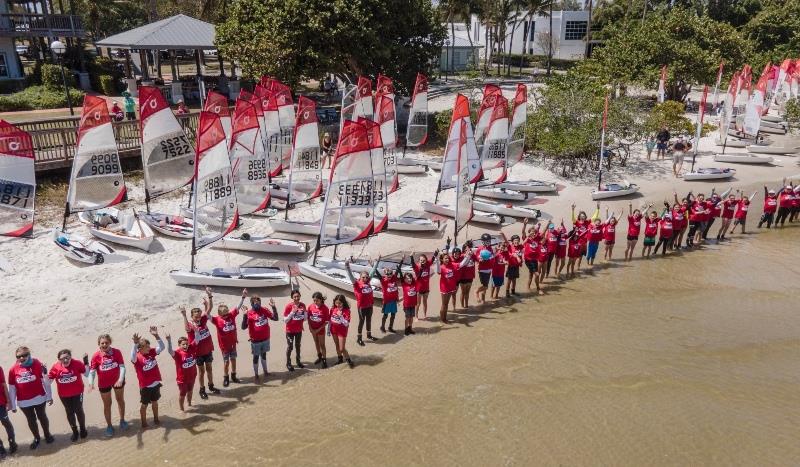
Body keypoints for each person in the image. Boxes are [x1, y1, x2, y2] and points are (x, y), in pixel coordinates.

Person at [8, 346, 53, 449]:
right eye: (19, 356)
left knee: (42, 417)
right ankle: (36, 438)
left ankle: (47, 435)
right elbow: (12, 388)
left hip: (39, 398)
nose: (22, 358)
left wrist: (49, 396)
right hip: (24, 402)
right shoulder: (12, 369)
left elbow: (45, 383)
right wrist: (13, 405)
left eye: (24, 355)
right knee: (31, 420)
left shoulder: (37, 364)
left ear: (29, 354)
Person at [180, 287, 219, 399]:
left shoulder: (203, 319)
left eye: (199, 316)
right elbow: (186, 327)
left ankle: (211, 386)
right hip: (197, 353)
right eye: (195, 317)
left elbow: (210, 308)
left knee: (210, 369)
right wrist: (184, 315)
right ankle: (202, 389)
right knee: (201, 372)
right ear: (192, 317)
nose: (197, 318)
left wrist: (210, 296)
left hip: (208, 350)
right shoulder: (191, 325)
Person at [88, 334, 129, 437]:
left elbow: (122, 367)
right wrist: (90, 383)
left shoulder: (117, 352)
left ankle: (122, 420)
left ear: (110, 342)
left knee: (120, 400)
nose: (105, 344)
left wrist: (120, 379)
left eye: (106, 342)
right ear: (99, 344)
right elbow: (92, 372)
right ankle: (109, 426)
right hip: (103, 384)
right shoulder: (96, 356)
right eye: (102, 343)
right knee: (107, 405)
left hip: (118, 381)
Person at [47, 350, 89, 442]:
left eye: (67, 358)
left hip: (78, 393)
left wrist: (86, 363)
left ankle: (82, 429)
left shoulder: (77, 363)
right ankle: (75, 432)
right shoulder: (56, 367)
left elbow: (87, 374)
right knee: (69, 412)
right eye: (62, 359)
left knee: (78, 410)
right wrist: (44, 373)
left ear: (70, 357)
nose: (65, 360)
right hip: (64, 395)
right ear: (59, 359)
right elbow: (48, 382)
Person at [210, 289, 246, 387]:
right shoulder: (217, 320)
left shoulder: (231, 315)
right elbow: (207, 316)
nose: (226, 315)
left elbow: (237, 307)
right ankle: (226, 377)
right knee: (226, 362)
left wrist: (243, 297)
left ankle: (233, 376)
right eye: (224, 314)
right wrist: (209, 300)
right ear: (220, 314)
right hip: (224, 346)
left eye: (227, 313)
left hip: (233, 344)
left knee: (233, 360)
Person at [130, 327, 165, 429]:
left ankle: (156, 419)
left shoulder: (151, 352)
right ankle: (144, 423)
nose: (149, 348)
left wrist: (156, 335)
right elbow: (132, 356)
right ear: (140, 348)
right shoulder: (136, 357)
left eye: (149, 346)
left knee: (155, 402)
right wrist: (135, 344)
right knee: (144, 405)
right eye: (146, 347)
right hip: (145, 386)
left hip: (155, 384)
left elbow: (162, 347)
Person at [241, 293, 278, 383]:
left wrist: (274, 307)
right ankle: (256, 375)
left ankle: (266, 372)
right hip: (255, 341)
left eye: (258, 302)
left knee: (264, 355)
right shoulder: (249, 313)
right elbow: (243, 327)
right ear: (252, 304)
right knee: (256, 357)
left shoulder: (264, 309)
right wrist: (245, 315)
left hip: (265, 339)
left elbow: (275, 318)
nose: (257, 304)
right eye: (255, 303)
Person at [344, 260, 378, 346]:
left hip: (370, 306)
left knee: (369, 320)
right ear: (360, 277)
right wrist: (347, 266)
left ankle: (369, 335)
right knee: (362, 321)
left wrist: (378, 260)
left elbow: (373, 271)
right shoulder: (357, 284)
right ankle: (359, 338)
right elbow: (350, 275)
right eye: (363, 277)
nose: (365, 279)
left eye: (366, 277)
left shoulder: (368, 282)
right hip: (362, 307)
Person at [434, 249, 469, 323]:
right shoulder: (442, 267)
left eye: (447, 258)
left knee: (446, 304)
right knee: (444, 304)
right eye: (445, 258)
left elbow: (462, 264)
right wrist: (437, 259)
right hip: (444, 289)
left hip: (451, 287)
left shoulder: (452, 265)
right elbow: (438, 271)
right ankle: (442, 319)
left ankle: (444, 318)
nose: (447, 259)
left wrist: (468, 256)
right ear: (442, 259)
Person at [166, 334, 197, 412]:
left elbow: (198, 338)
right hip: (182, 379)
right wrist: (169, 340)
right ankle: (182, 409)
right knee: (182, 394)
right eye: (183, 344)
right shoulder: (177, 353)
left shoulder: (191, 348)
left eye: (186, 344)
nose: (185, 345)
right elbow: (170, 351)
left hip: (192, 376)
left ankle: (189, 404)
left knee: (190, 391)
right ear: (179, 345)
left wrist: (196, 330)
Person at [283, 289, 308, 371]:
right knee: (290, 347)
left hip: (299, 330)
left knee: (298, 346)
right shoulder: (289, 306)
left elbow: (305, 319)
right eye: (294, 297)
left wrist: (305, 312)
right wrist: (292, 312)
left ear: (300, 296)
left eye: (298, 296)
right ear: (292, 297)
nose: (296, 298)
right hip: (289, 331)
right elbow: (285, 320)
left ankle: (298, 361)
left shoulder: (303, 305)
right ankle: (288, 363)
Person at [375, 260, 402, 333]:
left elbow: (397, 270)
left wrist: (402, 260)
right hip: (387, 302)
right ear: (385, 274)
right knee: (385, 315)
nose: (389, 275)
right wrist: (373, 265)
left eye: (390, 274)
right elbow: (377, 273)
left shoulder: (393, 278)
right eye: (388, 274)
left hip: (393, 301)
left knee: (393, 315)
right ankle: (382, 327)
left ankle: (390, 327)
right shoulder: (383, 281)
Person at [328, 295, 354, 367]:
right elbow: (330, 320)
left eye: (339, 303)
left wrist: (341, 316)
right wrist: (328, 330)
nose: (338, 305)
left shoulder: (346, 311)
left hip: (342, 331)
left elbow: (346, 324)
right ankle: (340, 359)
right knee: (337, 345)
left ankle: (349, 360)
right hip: (333, 330)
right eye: (336, 303)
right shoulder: (333, 309)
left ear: (343, 303)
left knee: (342, 348)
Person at [0, 362, 17, 457]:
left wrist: (9, 401)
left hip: (1, 403)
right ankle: (1, 447)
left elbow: (3, 384)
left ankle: (12, 443)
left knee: (6, 422)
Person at [521, 219, 542, 291]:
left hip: (535, 260)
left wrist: (538, 227)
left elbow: (540, 234)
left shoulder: (536, 240)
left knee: (531, 274)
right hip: (528, 260)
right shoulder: (526, 239)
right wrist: (524, 224)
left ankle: (528, 287)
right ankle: (538, 288)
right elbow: (523, 232)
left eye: (534, 232)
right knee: (537, 274)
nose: (533, 233)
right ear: (529, 233)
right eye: (531, 232)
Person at [474, 233, 495, 304]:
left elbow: (491, 257)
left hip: (489, 270)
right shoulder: (480, 248)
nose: (488, 242)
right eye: (487, 241)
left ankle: (483, 301)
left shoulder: (490, 248)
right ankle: (476, 291)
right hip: (483, 270)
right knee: (485, 286)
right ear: (483, 241)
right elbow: (477, 257)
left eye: (489, 241)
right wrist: (480, 259)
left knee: (485, 285)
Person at [410, 253, 432, 319]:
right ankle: (416, 317)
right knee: (418, 304)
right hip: (419, 289)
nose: (422, 262)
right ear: (419, 261)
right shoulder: (417, 267)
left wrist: (436, 252)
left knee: (425, 302)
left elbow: (433, 258)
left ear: (426, 260)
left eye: (424, 260)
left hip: (426, 289)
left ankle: (425, 315)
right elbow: (413, 264)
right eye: (421, 260)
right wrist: (411, 256)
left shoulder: (428, 265)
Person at [457, 241, 477, 308]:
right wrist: (465, 255)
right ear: (464, 250)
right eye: (466, 249)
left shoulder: (472, 255)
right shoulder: (462, 256)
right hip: (463, 277)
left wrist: (472, 254)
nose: (468, 250)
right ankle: (462, 306)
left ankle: (466, 305)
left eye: (469, 249)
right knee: (463, 292)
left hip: (470, 276)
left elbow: (478, 260)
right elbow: (457, 261)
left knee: (467, 292)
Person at [401, 269, 418, 335]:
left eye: (410, 278)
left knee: (411, 317)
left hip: (413, 304)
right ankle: (406, 329)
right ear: (404, 279)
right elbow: (402, 278)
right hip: (407, 305)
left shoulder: (414, 284)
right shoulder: (404, 285)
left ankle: (410, 328)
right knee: (407, 318)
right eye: (407, 278)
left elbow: (417, 277)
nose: (409, 280)